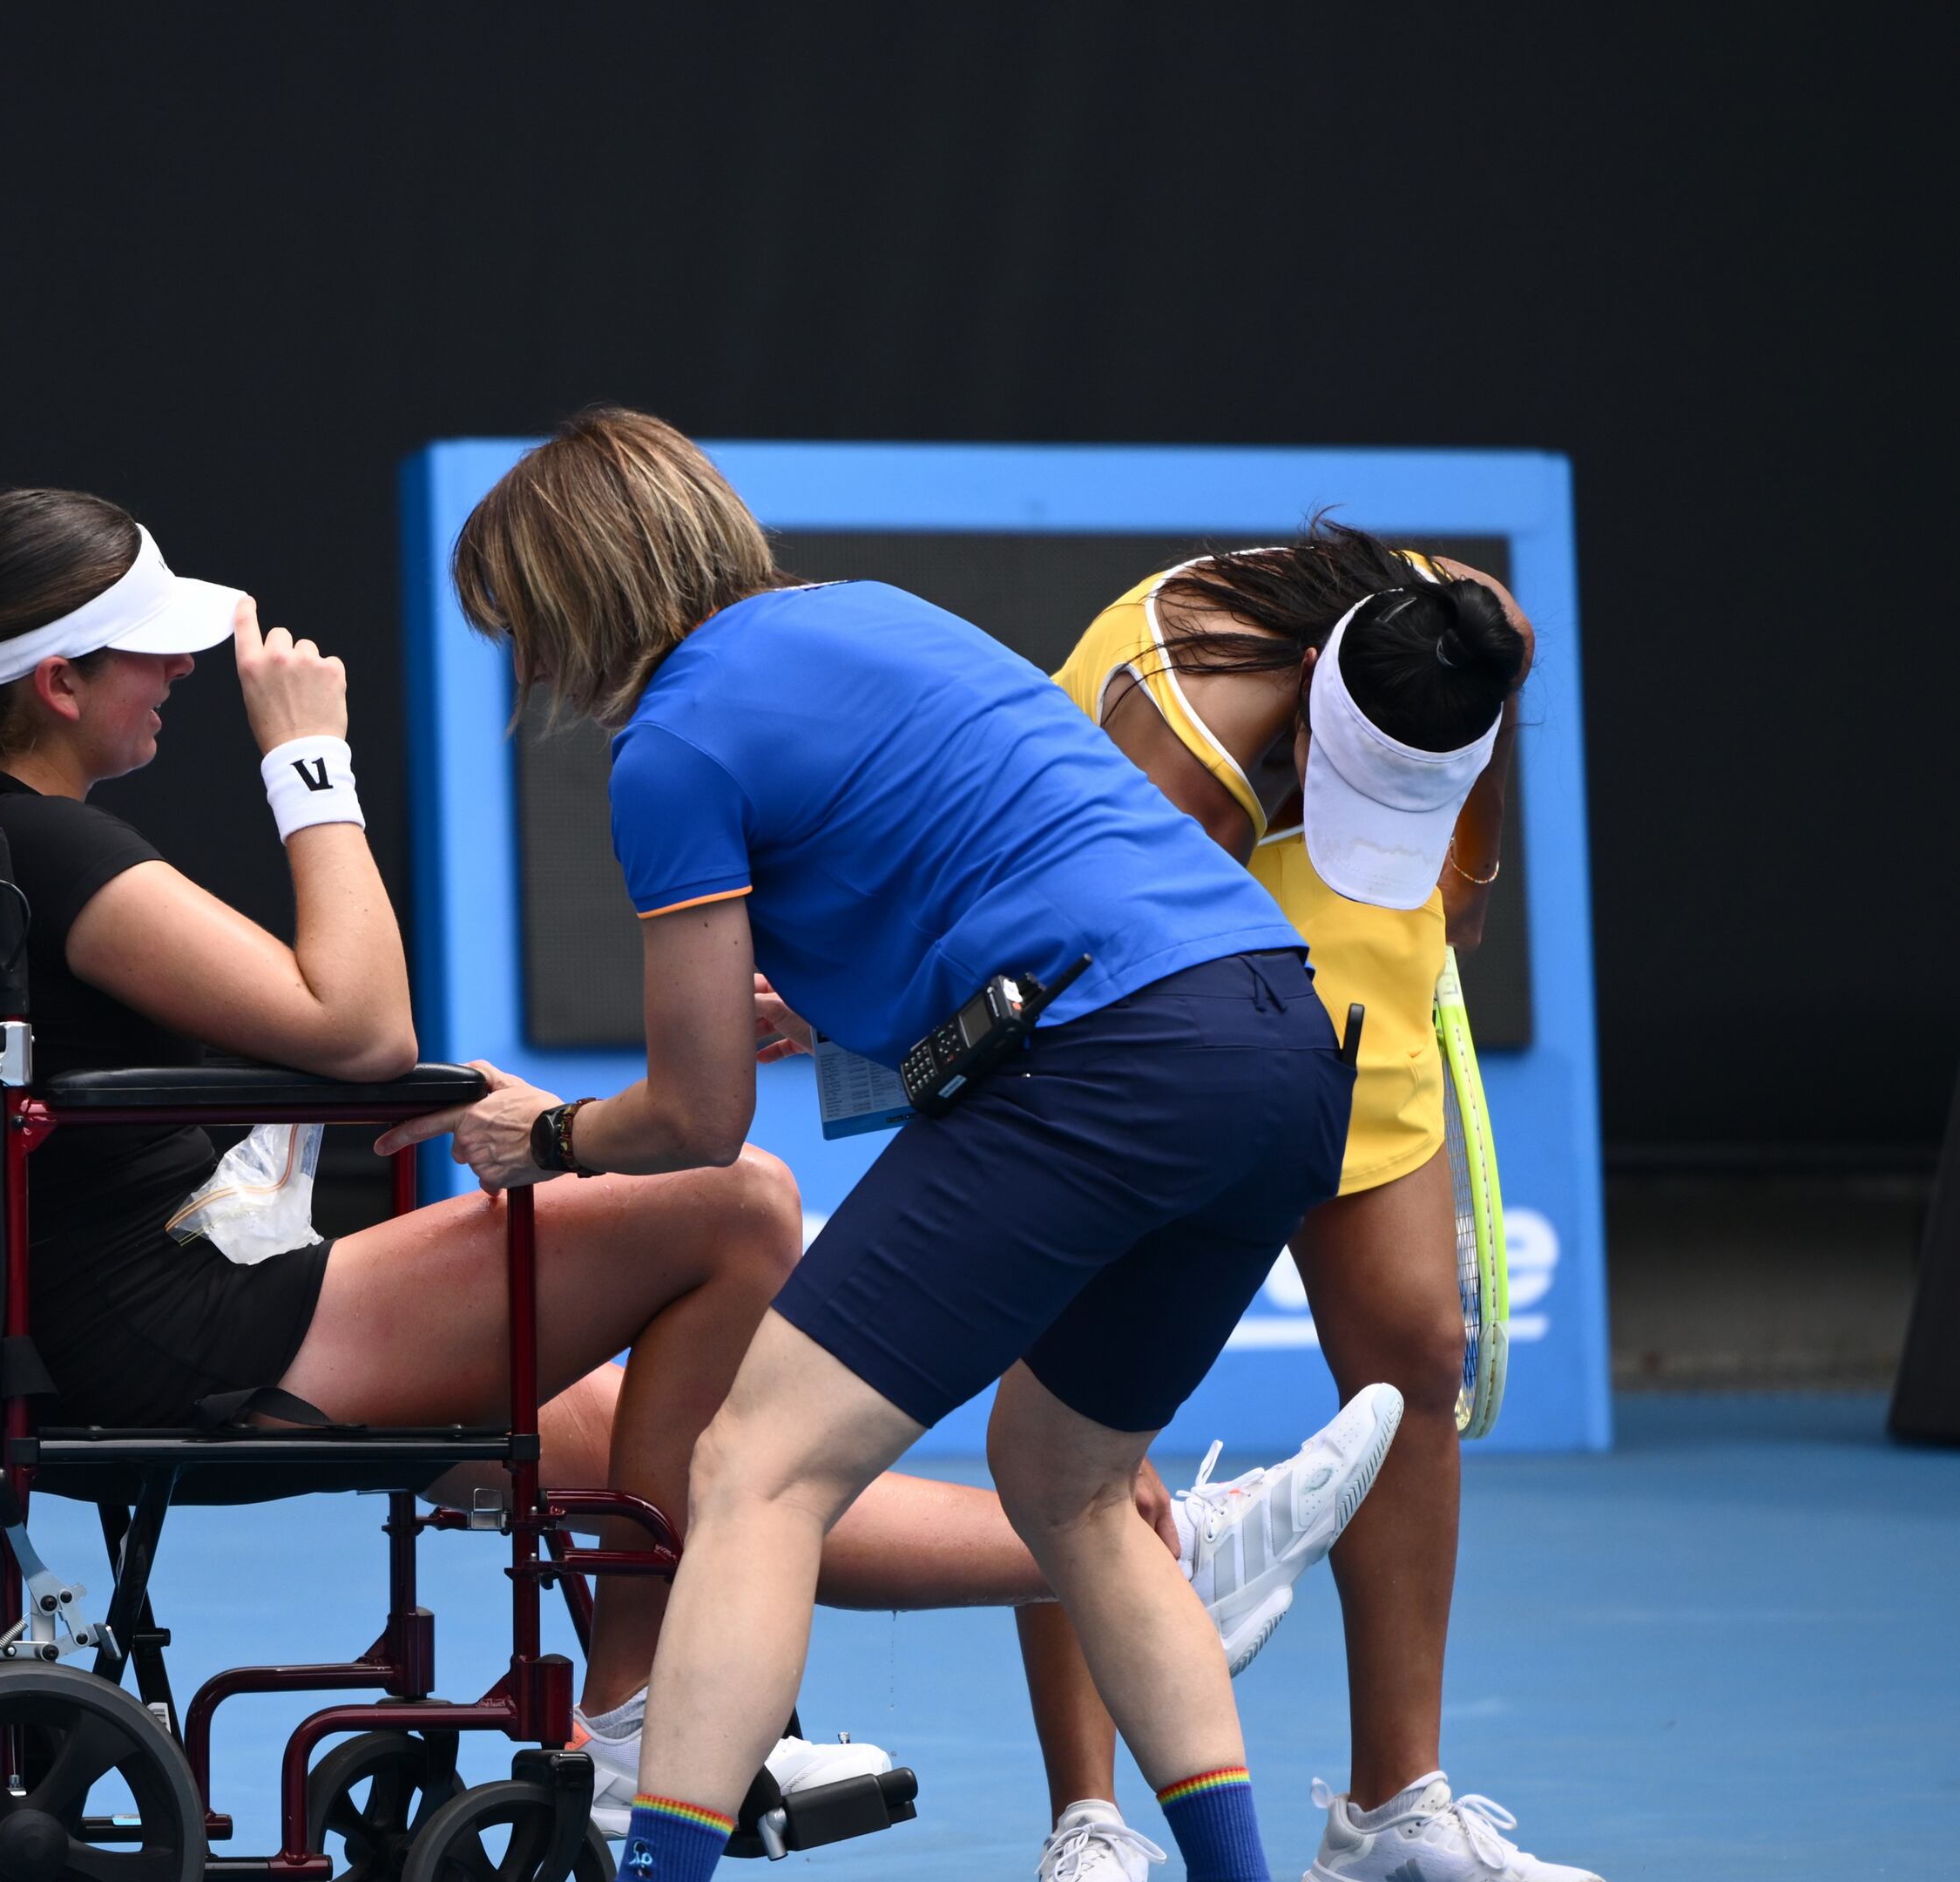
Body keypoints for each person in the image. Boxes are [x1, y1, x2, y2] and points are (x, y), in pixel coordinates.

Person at [0, 484, 903, 1819]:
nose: (185, 670)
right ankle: (648, 1722)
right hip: (166, 1328)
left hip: (69, 1318)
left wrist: (463, 1093)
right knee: (738, 1201)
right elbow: (358, 1027)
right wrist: (309, 762)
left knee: (600, 1437)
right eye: (155, 651)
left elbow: (296, 1039)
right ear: (61, 681)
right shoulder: (54, 851)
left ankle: (1093, 1566)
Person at [430, 408, 1356, 1882]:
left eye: (523, 631)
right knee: (1066, 1488)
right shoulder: (880, 613)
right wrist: (850, 1008)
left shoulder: (669, 746)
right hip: (1279, 1047)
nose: (529, 671)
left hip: (1108, 1063)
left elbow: (696, 1120)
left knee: (753, 1469)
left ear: (576, 600)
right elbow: (1021, 873)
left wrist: (540, 1134)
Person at [1011, 525, 1595, 1882]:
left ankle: (1395, 1809)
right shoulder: (1183, 741)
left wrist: (1461, 871)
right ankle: (1087, 1820)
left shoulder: (1462, 626)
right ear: (1314, 716)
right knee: (1083, 1419)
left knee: (1412, 1361)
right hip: (1151, 1011)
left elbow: (1482, 744)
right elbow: (1070, 944)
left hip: (1360, 1000)